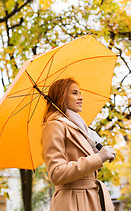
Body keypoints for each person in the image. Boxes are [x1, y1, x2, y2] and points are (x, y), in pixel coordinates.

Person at [41, 78, 116, 211]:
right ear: (62, 96)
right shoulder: (54, 126)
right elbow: (56, 174)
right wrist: (98, 158)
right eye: (75, 93)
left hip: (90, 199)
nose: (81, 97)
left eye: (80, 93)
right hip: (73, 202)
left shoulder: (78, 127)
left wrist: (97, 154)